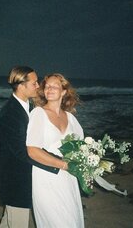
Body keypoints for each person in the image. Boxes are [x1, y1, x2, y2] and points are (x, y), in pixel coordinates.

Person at [0, 66, 64, 228]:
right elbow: (23, 151)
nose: (38, 86)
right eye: (34, 83)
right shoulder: (10, 114)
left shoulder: (30, 108)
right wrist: (58, 164)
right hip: (15, 182)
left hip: (25, 179)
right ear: (21, 86)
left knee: (9, 222)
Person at [26, 73, 85, 228]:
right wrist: (63, 165)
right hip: (46, 178)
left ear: (64, 91)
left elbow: (82, 147)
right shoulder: (38, 114)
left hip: (69, 179)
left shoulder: (71, 118)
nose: (49, 89)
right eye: (47, 86)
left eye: (55, 86)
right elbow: (32, 150)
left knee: (72, 220)